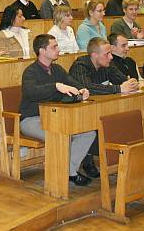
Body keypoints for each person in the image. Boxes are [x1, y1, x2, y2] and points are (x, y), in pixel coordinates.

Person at [19, 34, 96, 186]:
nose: (58, 49)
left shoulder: (58, 69)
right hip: (31, 119)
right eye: (54, 47)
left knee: (88, 133)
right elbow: (30, 92)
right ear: (42, 51)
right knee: (59, 134)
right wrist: (55, 86)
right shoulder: (30, 71)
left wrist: (82, 89)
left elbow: (72, 83)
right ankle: (67, 175)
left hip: (55, 117)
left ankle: (68, 171)